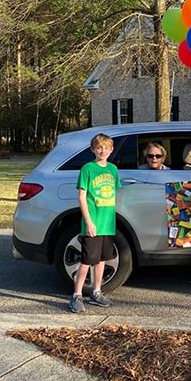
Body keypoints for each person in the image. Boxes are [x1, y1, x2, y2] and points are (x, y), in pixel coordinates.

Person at [69, 133, 121, 314]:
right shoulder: (87, 169)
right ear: (93, 149)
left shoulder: (113, 169)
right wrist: (89, 222)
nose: (103, 151)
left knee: (102, 260)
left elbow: (114, 193)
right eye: (99, 147)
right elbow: (82, 197)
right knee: (86, 261)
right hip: (93, 223)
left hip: (108, 223)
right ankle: (76, 295)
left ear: (111, 150)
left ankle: (96, 291)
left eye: (106, 148)